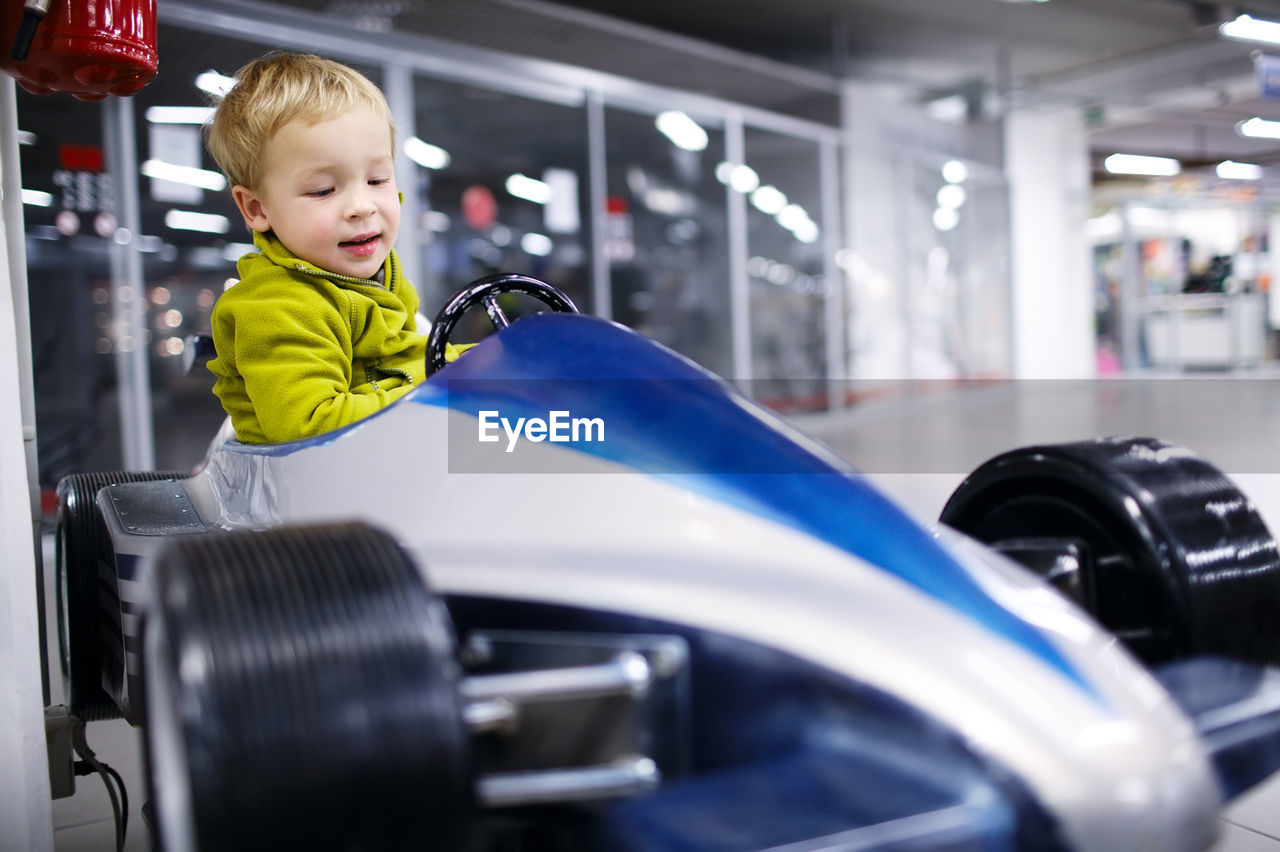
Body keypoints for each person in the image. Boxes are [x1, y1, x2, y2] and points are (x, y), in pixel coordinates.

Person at [204, 51, 455, 444]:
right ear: (257, 208)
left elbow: (408, 355)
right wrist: (450, 387)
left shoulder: (377, 276)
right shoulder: (276, 309)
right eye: (323, 190)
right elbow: (313, 425)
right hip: (303, 495)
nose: (362, 206)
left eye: (377, 180)